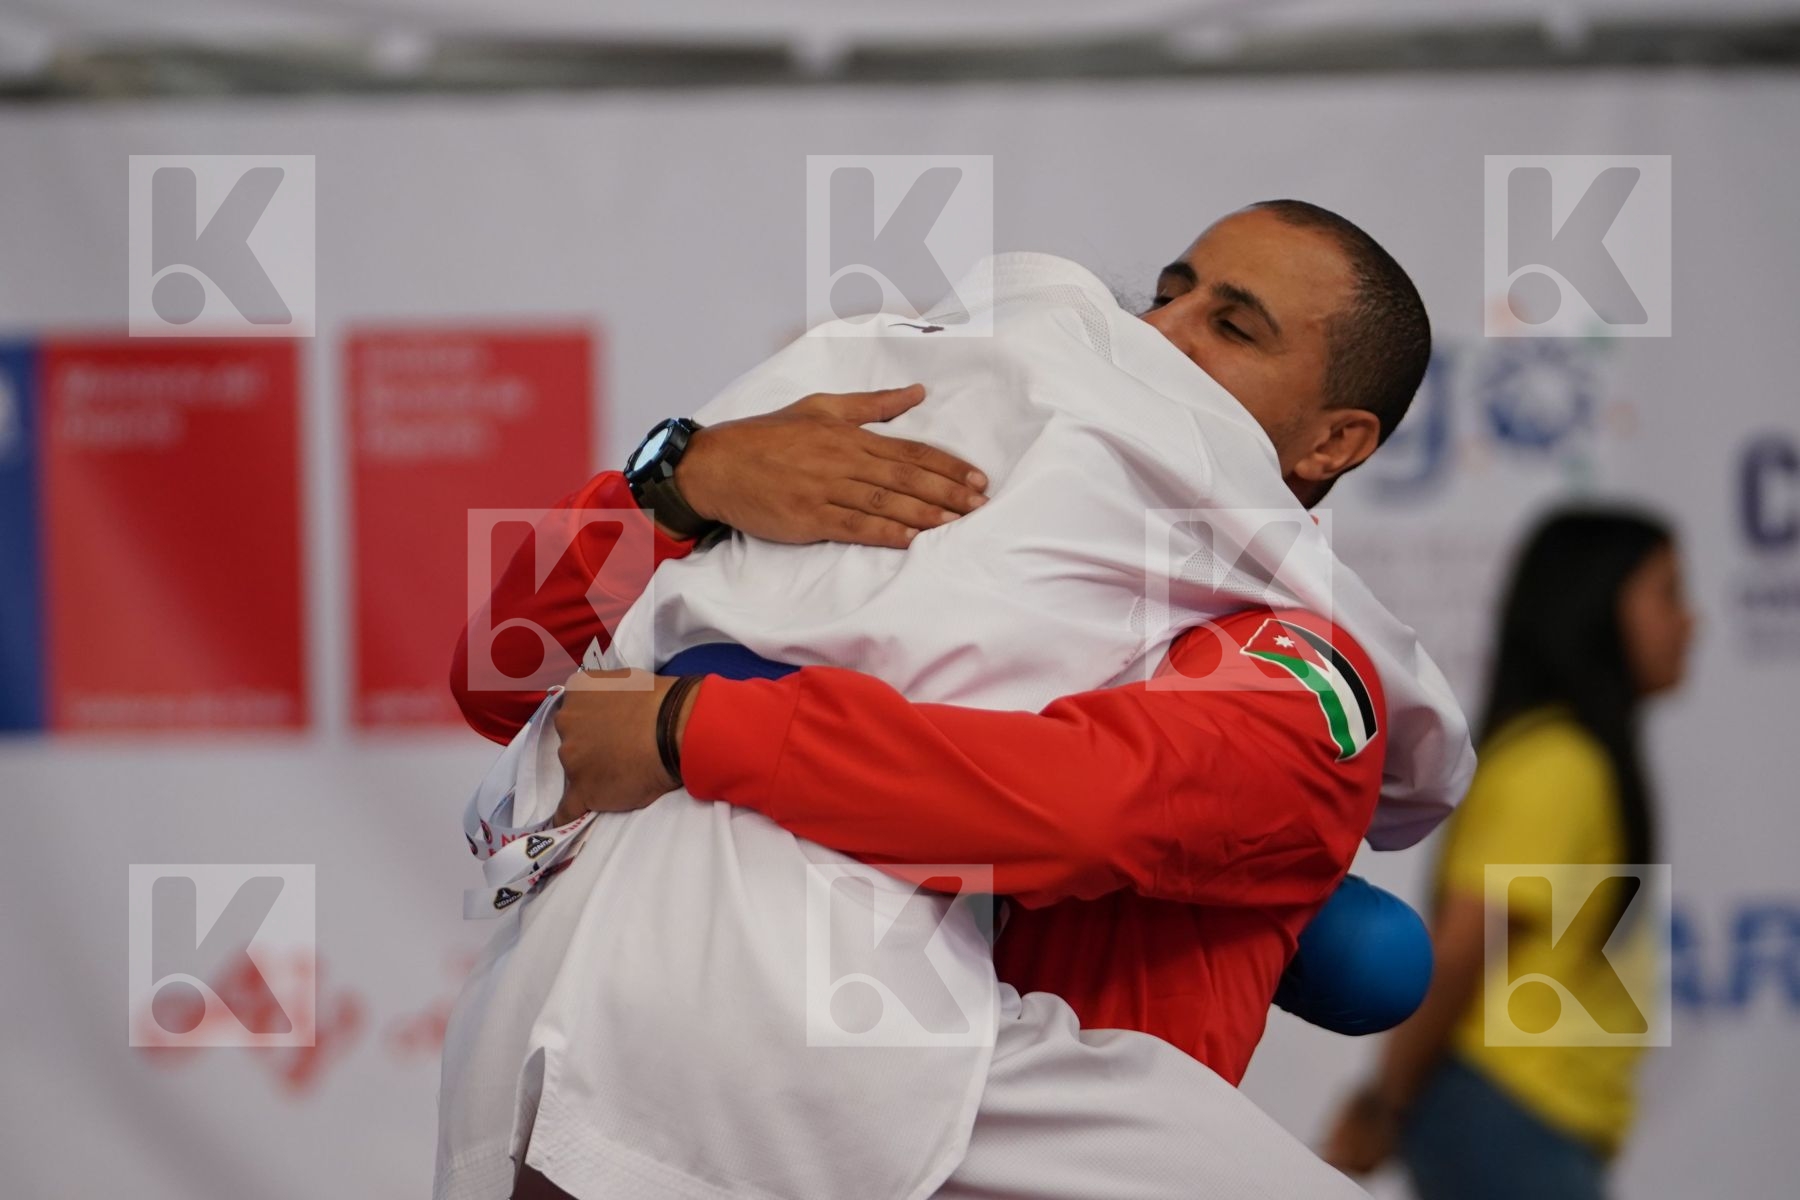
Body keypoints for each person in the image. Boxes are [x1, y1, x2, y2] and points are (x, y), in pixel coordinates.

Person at [437, 203, 1474, 1200]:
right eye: (1167, 293)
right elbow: (499, 673)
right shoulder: (913, 493)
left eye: (1232, 326)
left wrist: (690, 724)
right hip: (751, 1064)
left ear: (1333, 444)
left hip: (970, 1129)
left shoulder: (1299, 662)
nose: (1161, 331)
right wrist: (685, 482)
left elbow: (1077, 803)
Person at [1322, 508, 1694, 1200]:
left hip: (1525, 1119)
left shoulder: (1576, 761)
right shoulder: (1559, 766)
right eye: (1668, 592)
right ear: (1596, 603)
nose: (1689, 621)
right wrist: (1384, 1103)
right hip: (1505, 1112)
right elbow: (1466, 946)